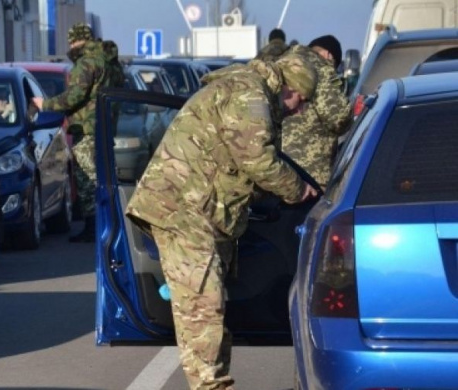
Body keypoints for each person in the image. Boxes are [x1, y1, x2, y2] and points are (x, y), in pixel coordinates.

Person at [125, 54, 319, 390]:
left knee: (211, 309)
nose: (298, 110)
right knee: (203, 309)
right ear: (288, 88)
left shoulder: (250, 92)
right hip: (182, 211)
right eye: (300, 101)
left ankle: (213, 383)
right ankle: (211, 386)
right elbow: (258, 160)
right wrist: (298, 189)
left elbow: (239, 167)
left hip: (200, 212)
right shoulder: (250, 94)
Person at [32, 23, 125, 243]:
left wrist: (44, 104)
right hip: (105, 126)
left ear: (75, 41)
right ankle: (108, 223)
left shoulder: (86, 63)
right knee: (103, 177)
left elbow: (74, 96)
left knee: (86, 179)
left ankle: (94, 227)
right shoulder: (110, 62)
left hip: (87, 128)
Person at [281, 35, 352, 189]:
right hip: (311, 172)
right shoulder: (322, 68)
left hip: (279, 169)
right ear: (328, 55)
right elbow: (338, 118)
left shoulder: (284, 62)